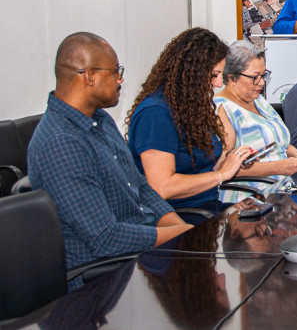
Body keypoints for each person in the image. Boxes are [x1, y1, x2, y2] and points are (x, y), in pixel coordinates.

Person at [27, 32, 192, 290]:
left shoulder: (100, 119)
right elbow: (105, 238)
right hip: (104, 278)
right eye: (115, 71)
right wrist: (183, 236)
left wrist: (182, 230)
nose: (120, 79)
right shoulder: (61, 142)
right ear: (89, 76)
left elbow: (140, 186)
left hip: (141, 254)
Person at [127, 28, 255, 216]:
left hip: (207, 207)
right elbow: (162, 187)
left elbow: (202, 167)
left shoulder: (190, 108)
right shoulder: (155, 114)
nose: (219, 83)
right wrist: (221, 175)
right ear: (191, 72)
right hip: (178, 216)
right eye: (214, 75)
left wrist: (232, 160)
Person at [214, 40, 297, 199]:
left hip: (281, 191)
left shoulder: (258, 100)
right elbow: (223, 168)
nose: (261, 82)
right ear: (232, 77)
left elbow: (281, 143)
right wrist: (279, 167)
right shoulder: (220, 109)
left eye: (264, 75)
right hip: (248, 199)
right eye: (255, 77)